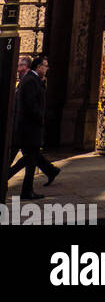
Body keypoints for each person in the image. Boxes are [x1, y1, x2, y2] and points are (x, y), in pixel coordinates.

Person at [13, 55, 60, 199]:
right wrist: (40, 118)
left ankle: (29, 188)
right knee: (29, 159)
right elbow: (31, 104)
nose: (47, 68)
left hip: (27, 128)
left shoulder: (32, 80)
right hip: (29, 128)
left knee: (31, 158)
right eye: (45, 66)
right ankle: (23, 188)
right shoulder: (31, 81)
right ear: (38, 67)